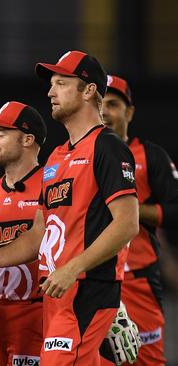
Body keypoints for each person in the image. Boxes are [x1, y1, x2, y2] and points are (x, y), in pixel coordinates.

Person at [0, 50, 140, 365]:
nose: (50, 92)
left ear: (89, 90)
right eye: (52, 84)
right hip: (58, 298)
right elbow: (40, 231)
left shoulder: (107, 146)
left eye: (62, 83)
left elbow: (127, 224)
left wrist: (73, 268)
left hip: (86, 292)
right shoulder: (57, 157)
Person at [101, 74, 178, 365]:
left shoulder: (148, 156)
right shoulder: (75, 157)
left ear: (129, 112)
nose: (105, 112)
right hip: (90, 281)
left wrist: (129, 208)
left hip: (137, 280)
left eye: (113, 104)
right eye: (99, 104)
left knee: (146, 360)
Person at [0, 101, 47, 366]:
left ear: (28, 139)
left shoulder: (53, 184)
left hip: (40, 309)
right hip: (0, 312)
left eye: (1, 132)